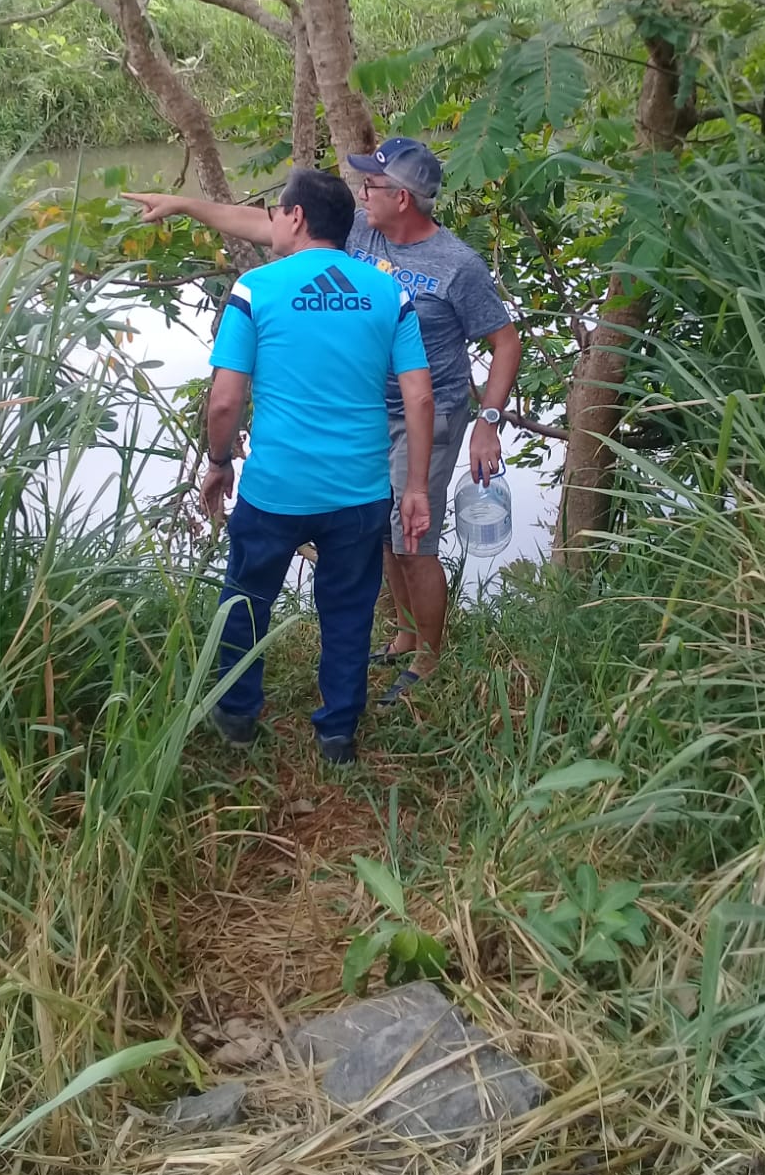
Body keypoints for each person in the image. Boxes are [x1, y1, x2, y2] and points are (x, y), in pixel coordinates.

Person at [125, 135, 520, 702]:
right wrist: (184, 204)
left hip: (427, 411)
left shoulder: (458, 265)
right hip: (366, 410)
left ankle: (428, 659)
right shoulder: (358, 231)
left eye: (371, 185)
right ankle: (405, 635)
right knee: (382, 531)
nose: (362, 194)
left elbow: (505, 343)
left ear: (402, 198)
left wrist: (488, 421)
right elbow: (262, 224)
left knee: (414, 538)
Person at [193, 168, 434, 765]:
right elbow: (420, 397)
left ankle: (236, 716)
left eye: (276, 211)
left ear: (296, 216)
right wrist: (415, 486)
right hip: (360, 490)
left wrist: (219, 461)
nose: (273, 221)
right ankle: (337, 734)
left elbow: (224, 401)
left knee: (247, 598)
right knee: (349, 610)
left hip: (276, 488)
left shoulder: (256, 289)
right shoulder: (389, 291)